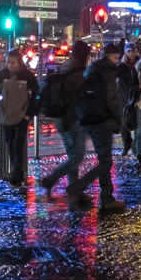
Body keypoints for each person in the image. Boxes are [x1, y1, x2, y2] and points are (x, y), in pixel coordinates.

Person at [65, 43, 126, 211]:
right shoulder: (108, 71)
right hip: (103, 120)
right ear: (112, 57)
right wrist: (118, 119)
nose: (116, 60)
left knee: (101, 160)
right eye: (115, 57)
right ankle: (84, 189)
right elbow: (112, 98)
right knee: (105, 162)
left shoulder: (91, 69)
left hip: (89, 119)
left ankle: (105, 196)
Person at [37, 43, 92, 194]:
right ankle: (51, 179)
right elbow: (81, 99)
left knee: (71, 154)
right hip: (73, 119)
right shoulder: (79, 73)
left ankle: (73, 186)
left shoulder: (66, 67)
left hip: (60, 118)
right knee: (77, 157)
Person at [0, 57, 38, 185]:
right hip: (6, 115)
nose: (9, 65)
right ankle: (17, 173)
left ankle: (17, 174)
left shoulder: (27, 76)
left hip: (22, 116)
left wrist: (29, 114)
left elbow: (36, 94)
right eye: (8, 62)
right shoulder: (2, 74)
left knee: (17, 145)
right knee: (11, 144)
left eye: (12, 62)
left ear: (18, 62)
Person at [119, 48, 141, 158]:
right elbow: (115, 74)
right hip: (124, 97)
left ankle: (134, 145)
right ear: (125, 53)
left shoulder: (140, 63)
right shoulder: (122, 64)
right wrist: (122, 64)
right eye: (129, 51)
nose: (131, 53)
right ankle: (126, 144)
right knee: (123, 124)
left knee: (138, 123)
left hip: (136, 97)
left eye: (133, 51)